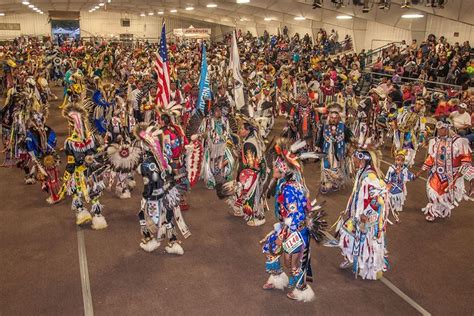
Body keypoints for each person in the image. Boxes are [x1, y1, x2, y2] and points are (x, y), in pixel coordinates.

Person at [134, 122, 191, 253]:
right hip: (170, 193)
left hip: (157, 195)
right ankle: (173, 243)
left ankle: (150, 241)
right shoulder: (163, 156)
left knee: (143, 215)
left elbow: (151, 183)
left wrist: (145, 196)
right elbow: (171, 172)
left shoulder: (147, 164)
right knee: (168, 218)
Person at [337, 149, 388, 280]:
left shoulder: (370, 177)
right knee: (347, 235)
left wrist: (365, 215)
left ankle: (369, 267)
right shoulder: (362, 173)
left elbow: (377, 199)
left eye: (354, 158)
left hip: (366, 218)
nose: (352, 160)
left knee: (367, 243)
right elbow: (358, 195)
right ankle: (350, 258)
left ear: (362, 159)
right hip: (357, 215)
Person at [417, 120, 472, 222]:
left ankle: (441, 210)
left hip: (452, 175)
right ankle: (432, 212)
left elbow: (466, 161)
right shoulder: (435, 141)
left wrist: (456, 178)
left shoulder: (459, 142)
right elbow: (431, 158)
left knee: (446, 197)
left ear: (448, 128)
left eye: (442, 128)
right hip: (437, 173)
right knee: (433, 193)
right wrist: (421, 171)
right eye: (438, 128)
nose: (439, 131)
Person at [316, 103, 352, 194]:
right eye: (332, 118)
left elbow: (349, 138)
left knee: (336, 167)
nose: (333, 119)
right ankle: (326, 183)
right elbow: (320, 137)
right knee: (326, 166)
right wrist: (318, 147)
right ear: (329, 117)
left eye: (335, 118)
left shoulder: (343, 126)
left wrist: (349, 147)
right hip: (327, 150)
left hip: (338, 151)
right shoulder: (325, 126)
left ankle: (335, 182)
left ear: (338, 118)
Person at [384, 150, 416, 223]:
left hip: (399, 189)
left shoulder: (404, 169)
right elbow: (387, 177)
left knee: (398, 202)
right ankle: (389, 207)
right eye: (398, 160)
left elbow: (409, 174)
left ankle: (397, 209)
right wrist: (393, 173)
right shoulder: (391, 168)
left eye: (402, 161)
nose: (400, 162)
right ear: (395, 160)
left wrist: (414, 176)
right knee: (389, 200)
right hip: (391, 188)